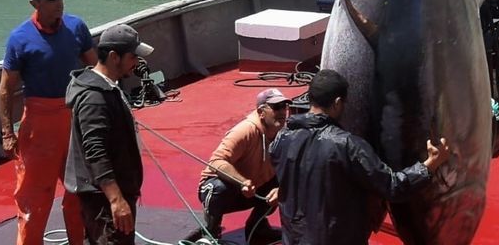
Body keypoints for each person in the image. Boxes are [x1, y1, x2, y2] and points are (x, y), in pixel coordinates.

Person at [269, 69, 450, 245]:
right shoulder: (347, 145)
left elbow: (292, 176)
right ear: (338, 103)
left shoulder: (281, 138)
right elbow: (392, 187)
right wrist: (430, 165)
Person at [0, 0, 96, 245]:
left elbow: (97, 70)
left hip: (74, 118)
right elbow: (6, 89)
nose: (59, 4)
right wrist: (7, 132)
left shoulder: (77, 28)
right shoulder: (19, 38)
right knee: (34, 198)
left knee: (79, 190)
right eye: (52, 0)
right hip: (39, 124)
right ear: (34, 3)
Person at [64, 23, 154, 245]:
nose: (137, 63)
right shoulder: (95, 98)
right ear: (115, 57)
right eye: (133, 57)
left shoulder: (109, 87)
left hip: (111, 195)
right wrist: (116, 200)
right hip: (103, 202)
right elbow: (95, 151)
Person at [188, 88, 288, 244]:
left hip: (254, 188)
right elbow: (215, 162)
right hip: (222, 189)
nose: (282, 111)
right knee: (219, 188)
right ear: (261, 112)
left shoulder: (284, 134)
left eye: (284, 107)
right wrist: (242, 181)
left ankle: (257, 226)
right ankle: (211, 231)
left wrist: (281, 189)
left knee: (283, 184)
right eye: (276, 107)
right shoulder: (244, 130)